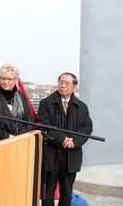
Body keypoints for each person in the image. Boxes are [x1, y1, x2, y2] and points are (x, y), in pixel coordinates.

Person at [37, 72, 93, 206]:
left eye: (67, 83)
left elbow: (87, 128)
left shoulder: (82, 107)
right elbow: (44, 125)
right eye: (61, 82)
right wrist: (62, 140)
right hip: (50, 155)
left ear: (74, 86)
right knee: (47, 192)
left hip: (71, 156)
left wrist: (74, 141)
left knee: (67, 192)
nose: (63, 85)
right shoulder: (46, 103)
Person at [0, 64, 34, 145]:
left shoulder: (21, 96)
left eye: (9, 79)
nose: (6, 82)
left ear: (15, 80)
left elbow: (29, 120)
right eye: (3, 78)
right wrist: (9, 137)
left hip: (20, 143)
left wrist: (19, 137)